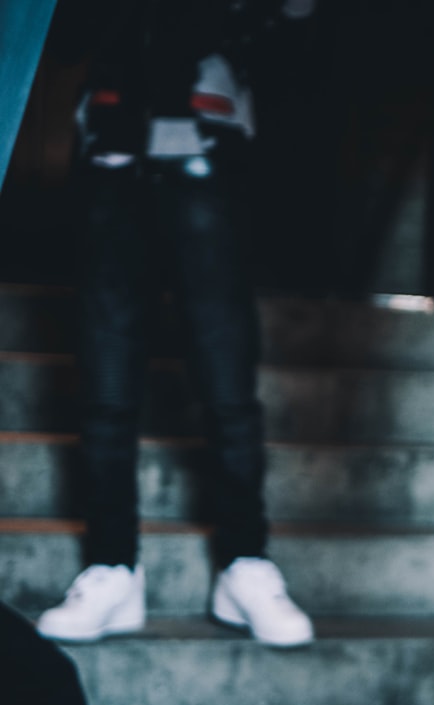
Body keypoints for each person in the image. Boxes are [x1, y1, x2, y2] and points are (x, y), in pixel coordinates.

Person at [35, 0, 315, 648]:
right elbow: (61, 32)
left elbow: (295, 41)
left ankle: (244, 561)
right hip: (112, 149)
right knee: (105, 380)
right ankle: (112, 567)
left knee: (227, 382)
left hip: (207, 150)